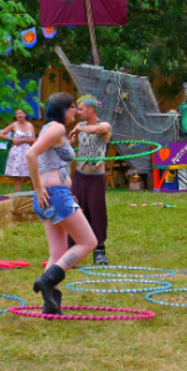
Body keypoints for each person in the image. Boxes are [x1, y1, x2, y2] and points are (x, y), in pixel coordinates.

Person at [27, 93, 100, 316]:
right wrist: (39, 188)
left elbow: (52, 165)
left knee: (57, 252)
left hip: (51, 195)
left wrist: (70, 143)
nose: (75, 111)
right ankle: (48, 280)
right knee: (89, 242)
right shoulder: (56, 129)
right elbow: (31, 154)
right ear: (62, 109)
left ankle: (51, 306)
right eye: (72, 107)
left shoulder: (54, 130)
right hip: (52, 195)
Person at [66, 95, 112, 265]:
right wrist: (71, 142)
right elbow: (71, 146)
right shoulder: (80, 126)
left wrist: (78, 128)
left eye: (80, 109)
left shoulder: (104, 126)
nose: (77, 112)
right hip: (79, 175)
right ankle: (72, 251)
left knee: (97, 212)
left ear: (90, 110)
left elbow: (95, 131)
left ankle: (99, 251)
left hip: (96, 177)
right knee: (73, 211)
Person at [0, 109, 35, 193]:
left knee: (32, 174)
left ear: (25, 114)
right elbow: (1, 134)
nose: (18, 115)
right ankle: (18, 197)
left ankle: (33, 196)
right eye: (17, 113)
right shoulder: (14, 125)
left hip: (27, 151)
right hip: (17, 152)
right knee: (17, 176)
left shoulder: (30, 125)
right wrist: (11, 139)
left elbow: (33, 139)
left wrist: (23, 140)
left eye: (20, 113)